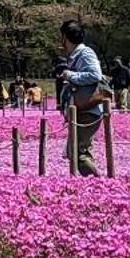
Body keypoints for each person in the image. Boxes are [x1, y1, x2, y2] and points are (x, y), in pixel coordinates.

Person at [55, 19, 107, 176]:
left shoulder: (85, 53)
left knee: (77, 153)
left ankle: (100, 184)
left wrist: (70, 75)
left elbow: (95, 75)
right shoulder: (75, 55)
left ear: (64, 37)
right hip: (82, 110)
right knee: (81, 150)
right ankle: (94, 187)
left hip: (89, 109)